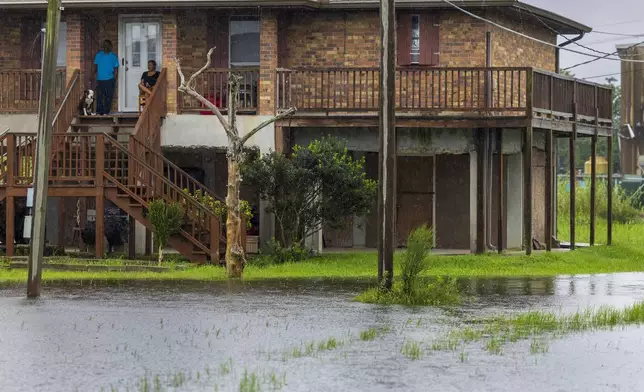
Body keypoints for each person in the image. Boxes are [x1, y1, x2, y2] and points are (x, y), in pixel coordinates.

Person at [93, 40, 119, 115]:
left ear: (110, 46)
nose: (105, 46)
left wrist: (114, 79)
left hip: (110, 79)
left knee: (108, 96)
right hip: (100, 79)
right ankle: (99, 111)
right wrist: (92, 75)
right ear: (102, 46)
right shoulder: (98, 55)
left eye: (107, 45)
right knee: (99, 96)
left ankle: (106, 112)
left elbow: (116, 69)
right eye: (104, 45)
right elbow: (95, 66)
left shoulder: (113, 56)